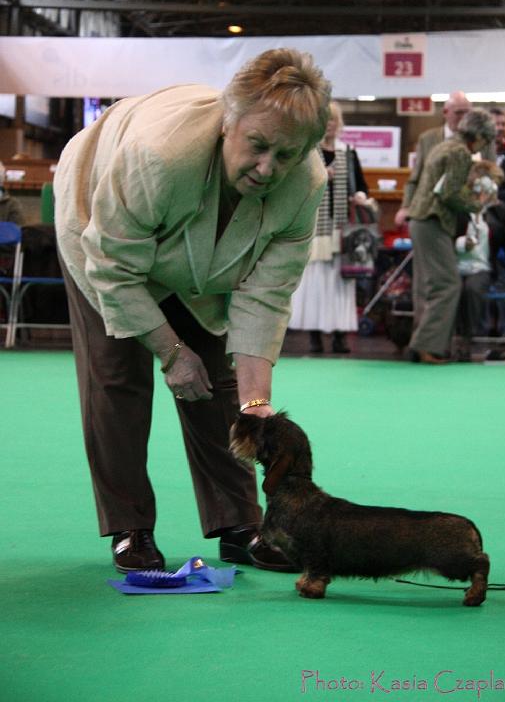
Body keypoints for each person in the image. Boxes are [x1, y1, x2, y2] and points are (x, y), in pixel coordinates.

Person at [53, 48, 331, 573]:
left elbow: (265, 294)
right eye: (258, 145)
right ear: (229, 123)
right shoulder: (158, 155)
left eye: (288, 154)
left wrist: (256, 404)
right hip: (100, 231)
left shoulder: (305, 184)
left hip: (201, 261)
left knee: (223, 387)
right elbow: (114, 268)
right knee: (117, 378)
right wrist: (169, 349)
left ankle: (239, 524)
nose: (270, 167)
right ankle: (129, 526)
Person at [406, 108, 496, 364]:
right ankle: (426, 347)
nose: (484, 145)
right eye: (485, 139)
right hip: (432, 221)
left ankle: (420, 345)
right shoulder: (459, 152)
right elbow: (450, 194)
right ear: (477, 135)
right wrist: (478, 204)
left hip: (421, 219)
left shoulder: (444, 146)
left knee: (430, 285)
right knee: (447, 284)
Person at [288, 101, 358, 354]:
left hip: (341, 232)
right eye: (327, 120)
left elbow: (360, 186)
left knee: (341, 283)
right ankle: (315, 336)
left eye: (335, 120)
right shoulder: (307, 153)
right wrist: (321, 178)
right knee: (315, 283)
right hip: (314, 231)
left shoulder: (348, 152)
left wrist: (359, 195)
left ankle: (340, 334)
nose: (331, 125)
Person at [454, 162, 505, 361]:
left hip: (483, 267)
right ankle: (446, 341)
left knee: (472, 287)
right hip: (454, 263)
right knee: (452, 288)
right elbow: (447, 238)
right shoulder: (459, 208)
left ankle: (466, 340)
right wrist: (462, 244)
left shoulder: (498, 211)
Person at [395, 91, 495, 228]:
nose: (464, 117)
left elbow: (492, 175)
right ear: (445, 112)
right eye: (459, 113)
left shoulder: (483, 141)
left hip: (471, 212)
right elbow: (415, 178)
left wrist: (481, 202)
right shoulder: (427, 139)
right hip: (434, 212)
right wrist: (405, 206)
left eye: (468, 113)